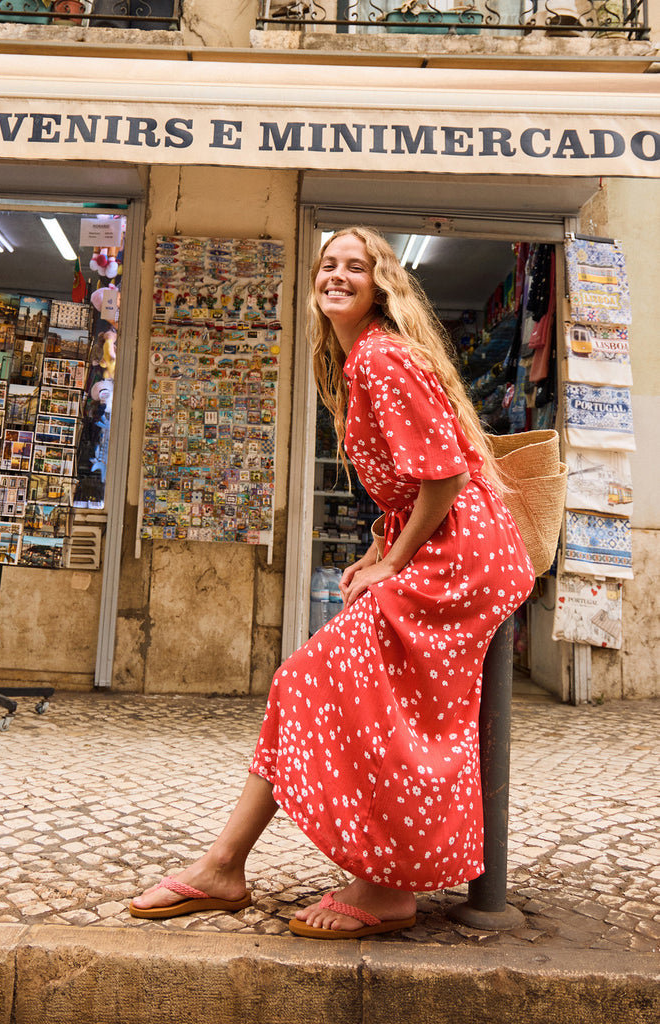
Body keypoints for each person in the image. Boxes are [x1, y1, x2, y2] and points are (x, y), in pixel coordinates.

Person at [129, 226, 535, 938]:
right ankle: (225, 866)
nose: (338, 275)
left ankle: (381, 886)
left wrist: (392, 560)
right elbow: (418, 485)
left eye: (356, 266)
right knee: (309, 683)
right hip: (450, 547)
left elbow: (443, 474)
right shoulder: (360, 359)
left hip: (460, 558)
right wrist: (380, 546)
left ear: (382, 284)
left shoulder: (379, 358)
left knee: (338, 686)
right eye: (328, 265)